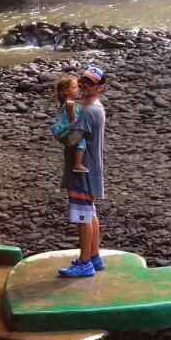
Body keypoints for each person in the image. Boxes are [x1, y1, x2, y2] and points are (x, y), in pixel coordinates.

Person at [58, 66, 107, 278]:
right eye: (83, 80)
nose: (85, 85)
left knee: (82, 217)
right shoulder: (93, 107)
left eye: (91, 82)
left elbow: (71, 139)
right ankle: (94, 256)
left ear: (101, 87)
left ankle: (85, 262)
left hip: (83, 172)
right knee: (90, 212)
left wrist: (59, 132)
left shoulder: (88, 111)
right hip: (92, 169)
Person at [50, 75, 88, 173]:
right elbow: (73, 120)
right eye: (74, 87)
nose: (78, 89)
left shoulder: (69, 102)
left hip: (67, 128)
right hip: (68, 129)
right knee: (82, 143)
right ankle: (78, 164)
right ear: (66, 91)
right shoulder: (69, 104)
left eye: (77, 87)